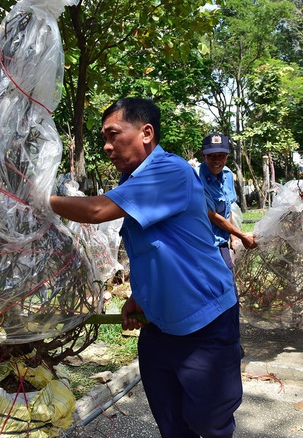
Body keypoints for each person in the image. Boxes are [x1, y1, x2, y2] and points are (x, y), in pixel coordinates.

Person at [49, 98, 242, 437]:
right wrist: (139, 297)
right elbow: (148, 248)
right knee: (171, 422)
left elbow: (95, 211)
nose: (107, 146)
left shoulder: (169, 171)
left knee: (209, 423)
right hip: (159, 327)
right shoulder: (132, 181)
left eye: (113, 135)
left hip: (205, 324)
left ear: (146, 133)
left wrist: (35, 199)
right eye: (104, 138)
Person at [197, 133, 257, 272]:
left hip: (221, 240)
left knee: (228, 277)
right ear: (203, 155)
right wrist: (242, 236)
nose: (216, 160)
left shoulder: (227, 174)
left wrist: (233, 238)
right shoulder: (197, 179)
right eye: (211, 155)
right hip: (202, 244)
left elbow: (227, 209)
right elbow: (212, 215)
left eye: (221, 155)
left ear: (227, 156)